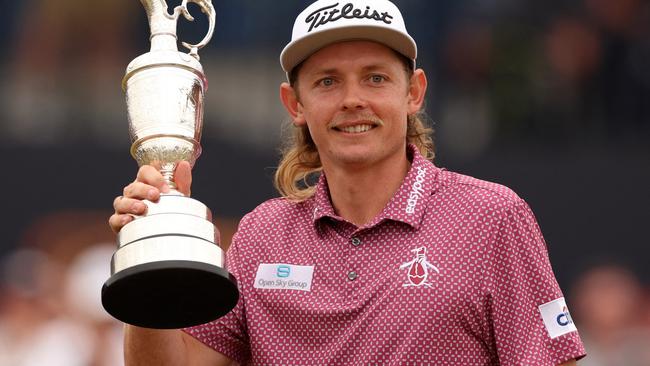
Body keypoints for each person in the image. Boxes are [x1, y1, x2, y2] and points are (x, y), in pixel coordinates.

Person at [109, 0, 586, 364]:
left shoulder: (491, 217)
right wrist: (154, 257)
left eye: (375, 78)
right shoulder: (261, 236)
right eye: (327, 82)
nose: (353, 99)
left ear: (414, 92)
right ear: (294, 104)